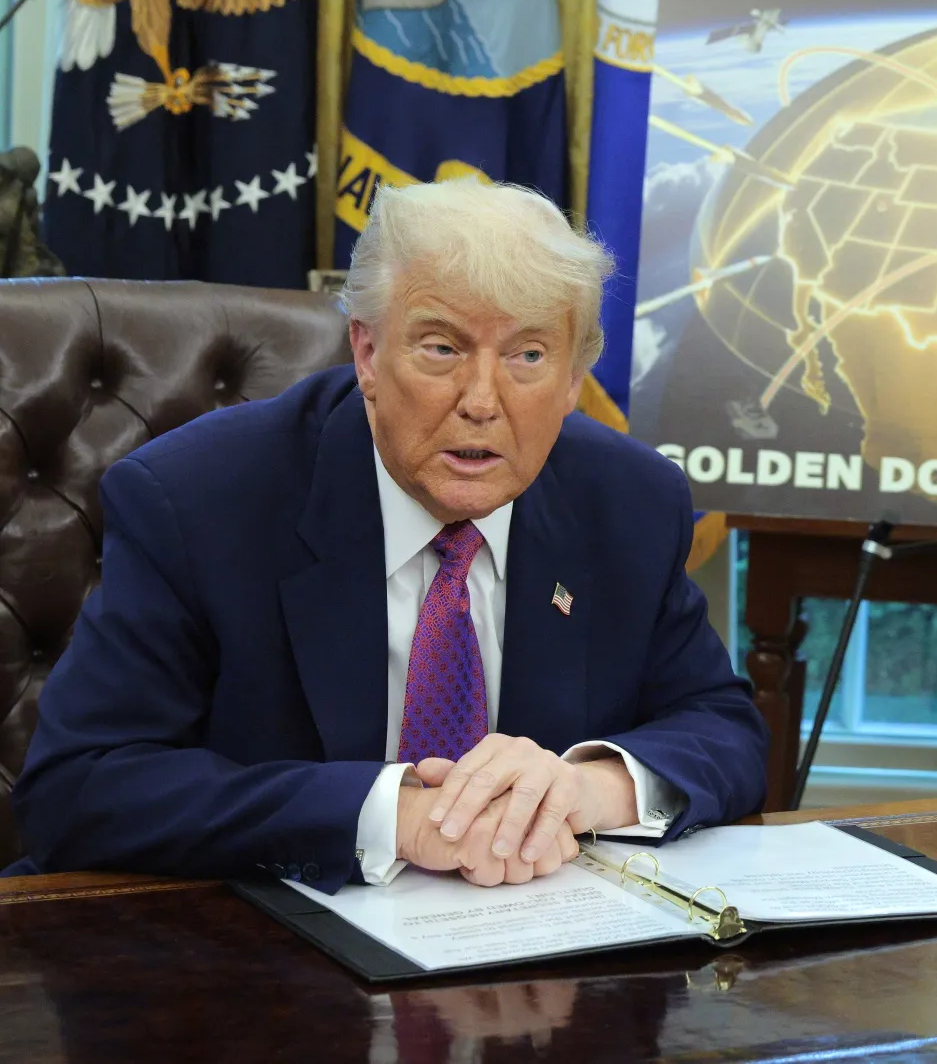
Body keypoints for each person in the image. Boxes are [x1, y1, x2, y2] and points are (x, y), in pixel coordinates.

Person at [9, 179, 768, 891]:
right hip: (254, 952)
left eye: (528, 356)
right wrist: (394, 817)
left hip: (527, 947)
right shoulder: (199, 500)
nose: (482, 401)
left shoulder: (631, 503)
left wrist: (586, 788)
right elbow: (79, 788)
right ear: (367, 353)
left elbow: (723, 728)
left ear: (574, 380)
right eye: (442, 348)